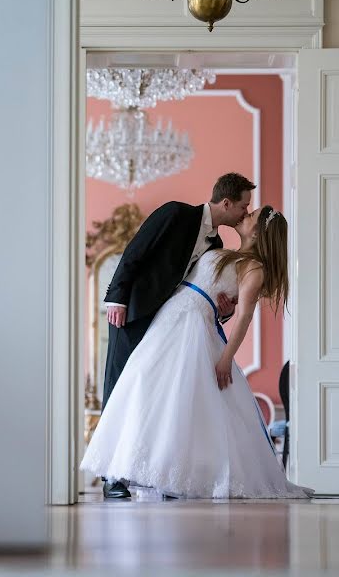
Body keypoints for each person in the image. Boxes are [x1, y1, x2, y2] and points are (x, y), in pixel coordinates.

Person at [81, 206, 313, 499]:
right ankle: (126, 470)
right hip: (168, 320)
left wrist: (226, 358)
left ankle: (173, 473)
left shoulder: (254, 268)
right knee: (144, 386)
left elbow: (242, 318)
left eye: (251, 215)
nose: (245, 214)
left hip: (192, 329)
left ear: (258, 231)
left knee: (180, 397)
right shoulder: (226, 251)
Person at [98, 173, 255, 499]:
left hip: (171, 326)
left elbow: (206, 294)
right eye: (243, 206)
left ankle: (151, 468)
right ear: (226, 203)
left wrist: (223, 310)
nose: (245, 212)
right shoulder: (175, 213)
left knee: (155, 396)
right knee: (122, 384)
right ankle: (111, 475)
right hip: (135, 312)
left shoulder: (217, 245)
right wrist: (117, 297)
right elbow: (135, 251)